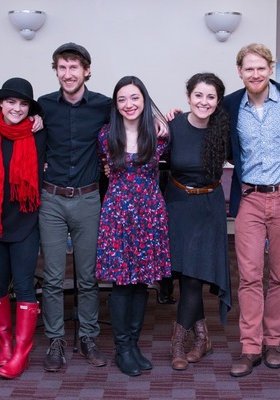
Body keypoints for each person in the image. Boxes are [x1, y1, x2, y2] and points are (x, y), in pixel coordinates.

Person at [222, 43, 280, 378]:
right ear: (240, 72)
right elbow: (210, 129)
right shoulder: (230, 105)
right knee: (249, 275)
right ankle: (250, 347)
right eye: (249, 69)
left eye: (261, 68)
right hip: (249, 198)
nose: (255, 74)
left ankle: (273, 341)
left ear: (271, 69)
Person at [37, 43, 110, 371]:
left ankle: (88, 336)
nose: (68, 74)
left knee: (88, 276)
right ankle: (55, 339)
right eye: (62, 68)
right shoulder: (42, 106)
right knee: (52, 278)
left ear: (87, 70)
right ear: (56, 71)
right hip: (50, 200)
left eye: (74, 68)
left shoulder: (104, 106)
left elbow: (135, 116)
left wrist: (168, 119)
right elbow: (9, 120)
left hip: (88, 198)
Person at [96, 76, 171, 377]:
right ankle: (122, 348)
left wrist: (167, 117)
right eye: (122, 99)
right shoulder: (105, 136)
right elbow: (102, 168)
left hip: (149, 212)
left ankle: (134, 344)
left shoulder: (159, 135)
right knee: (122, 283)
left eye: (135, 98)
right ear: (116, 104)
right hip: (117, 213)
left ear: (144, 100)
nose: (129, 104)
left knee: (143, 282)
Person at [0, 77, 47, 379]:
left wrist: (41, 119)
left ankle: (21, 352)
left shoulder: (39, 133)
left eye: (23, 104)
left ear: (30, 109)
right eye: (11, 102)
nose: (17, 108)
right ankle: (5, 343)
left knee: (24, 285)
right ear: (1, 104)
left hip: (25, 220)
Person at [165, 72, 232, 371]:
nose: (204, 102)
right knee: (184, 273)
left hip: (208, 206)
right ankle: (202, 338)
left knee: (193, 276)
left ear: (218, 101)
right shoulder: (173, 126)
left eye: (211, 97)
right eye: (198, 95)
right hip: (177, 204)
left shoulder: (224, 129)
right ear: (188, 96)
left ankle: (178, 342)